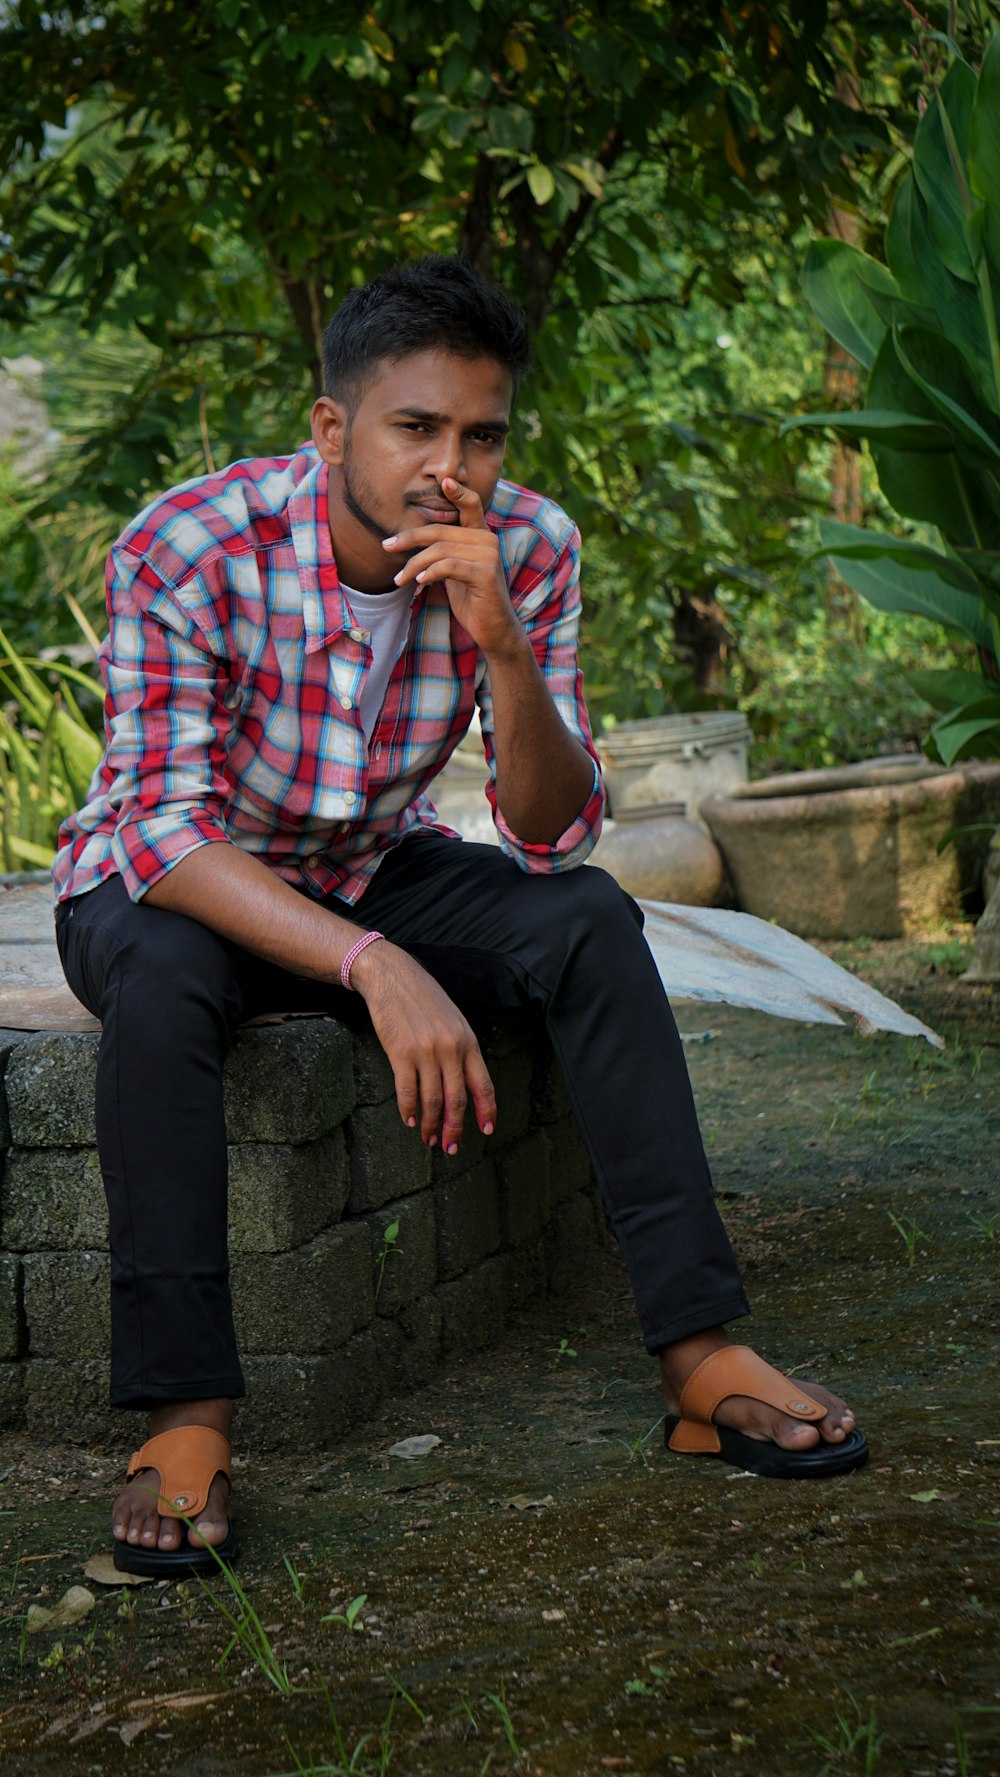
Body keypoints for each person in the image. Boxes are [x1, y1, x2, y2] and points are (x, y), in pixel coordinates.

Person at [53, 256, 867, 1577]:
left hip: (373, 860)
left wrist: (503, 647)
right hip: (179, 888)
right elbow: (160, 828)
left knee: (590, 920)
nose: (453, 465)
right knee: (157, 980)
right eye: (415, 427)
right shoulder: (188, 544)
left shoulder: (527, 548)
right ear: (333, 430)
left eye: (480, 433)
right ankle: (187, 1413)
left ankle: (700, 1347)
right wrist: (376, 967)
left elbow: (550, 829)